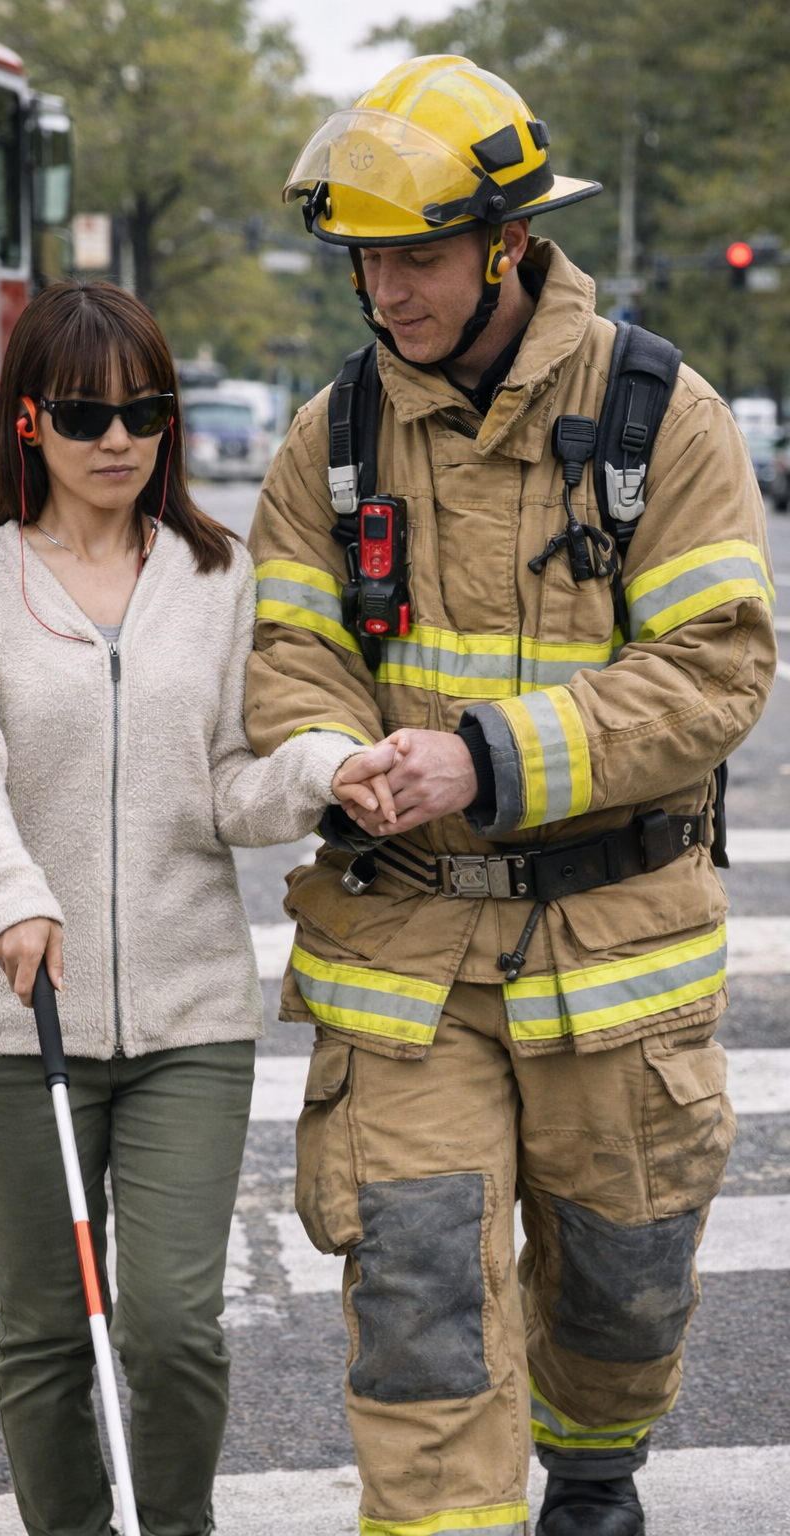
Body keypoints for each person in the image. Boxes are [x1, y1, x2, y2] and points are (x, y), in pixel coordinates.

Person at [246, 56, 776, 1536]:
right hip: (405, 952)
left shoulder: (663, 416)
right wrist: (335, 755)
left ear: (507, 243)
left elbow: (718, 666)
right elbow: (290, 653)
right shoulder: (331, 439)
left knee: (622, 1281)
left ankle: (593, 1484)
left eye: (414, 257)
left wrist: (486, 757)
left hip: (618, 954)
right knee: (417, 1291)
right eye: (363, 260)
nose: (384, 291)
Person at [0, 280, 393, 1536]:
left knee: (175, 1328)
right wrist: (12, 893)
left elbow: (231, 784)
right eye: (85, 413)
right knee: (45, 1328)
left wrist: (325, 770)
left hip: (189, 1018)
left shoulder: (217, 575)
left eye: (144, 410)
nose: (118, 438)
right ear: (28, 422)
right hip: (14, 1018)